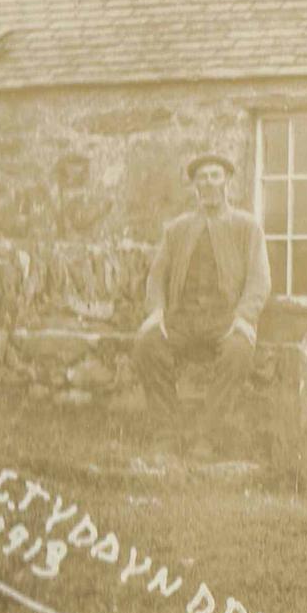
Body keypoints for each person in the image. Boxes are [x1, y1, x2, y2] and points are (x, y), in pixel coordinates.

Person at [132, 152, 270, 452]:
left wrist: (244, 317)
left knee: (238, 352)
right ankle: (166, 434)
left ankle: (207, 435)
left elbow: (260, 281)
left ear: (227, 182)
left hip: (225, 320)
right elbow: (156, 278)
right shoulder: (177, 229)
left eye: (214, 176)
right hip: (182, 320)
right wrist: (156, 313)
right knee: (146, 345)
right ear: (194, 185)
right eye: (201, 178)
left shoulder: (247, 227)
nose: (208, 183)